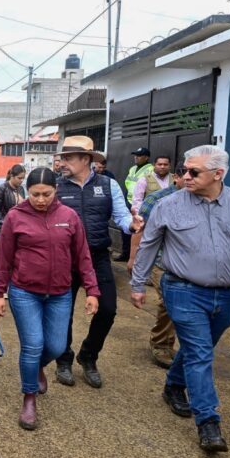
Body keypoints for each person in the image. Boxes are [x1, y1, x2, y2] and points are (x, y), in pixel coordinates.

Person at [131, 145, 230, 453]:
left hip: (226, 296)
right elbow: (148, 245)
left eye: (193, 171)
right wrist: (137, 283)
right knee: (201, 353)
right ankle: (208, 422)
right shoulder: (169, 206)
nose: (185, 176)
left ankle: (174, 384)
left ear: (218, 174)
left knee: (196, 348)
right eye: (184, 170)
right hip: (182, 290)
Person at [0, 168, 99, 430]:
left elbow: (83, 256)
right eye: (35, 194)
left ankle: (37, 367)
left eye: (47, 194)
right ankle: (29, 397)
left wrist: (92, 290)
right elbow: (3, 259)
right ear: (26, 192)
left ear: (56, 191)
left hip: (60, 293)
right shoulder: (15, 217)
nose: (41, 199)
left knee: (55, 346)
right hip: (24, 291)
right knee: (33, 344)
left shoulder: (69, 217)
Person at [53, 136, 144, 388]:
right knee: (63, 313)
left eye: (69, 157)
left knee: (107, 309)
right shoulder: (57, 187)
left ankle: (88, 356)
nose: (63, 162)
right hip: (64, 259)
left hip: (97, 257)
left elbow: (122, 216)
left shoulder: (108, 184)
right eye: (63, 157)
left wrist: (132, 225)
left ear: (86, 160)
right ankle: (64, 359)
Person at [128, 165, 185, 369]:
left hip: (187, 265)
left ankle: (174, 344)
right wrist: (134, 259)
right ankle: (161, 344)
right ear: (176, 177)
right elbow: (139, 231)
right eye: (187, 175)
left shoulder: (202, 201)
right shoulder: (157, 200)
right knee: (169, 302)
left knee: (181, 305)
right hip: (160, 261)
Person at [119, 146, 154, 260]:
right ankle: (125, 253)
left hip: (141, 204)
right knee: (126, 227)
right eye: (135, 155)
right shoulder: (133, 168)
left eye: (139, 156)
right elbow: (128, 183)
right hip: (129, 201)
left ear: (146, 157)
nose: (136, 157)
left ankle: (136, 257)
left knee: (138, 229)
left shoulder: (151, 169)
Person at [0, 164, 26, 235]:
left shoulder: (21, 189)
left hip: (18, 227)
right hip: (3, 229)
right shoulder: (1, 189)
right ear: (12, 176)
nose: (22, 180)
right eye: (19, 178)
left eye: (23, 178)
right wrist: (6, 224)